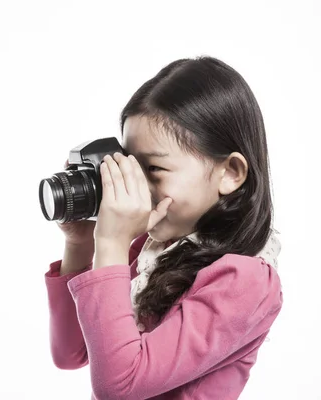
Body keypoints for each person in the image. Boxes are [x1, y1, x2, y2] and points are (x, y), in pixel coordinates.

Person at [45, 57, 282, 399]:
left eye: (153, 168)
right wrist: (81, 243)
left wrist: (110, 242)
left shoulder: (245, 281)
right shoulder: (150, 247)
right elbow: (71, 353)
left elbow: (119, 387)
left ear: (230, 172)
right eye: (129, 166)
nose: (136, 186)